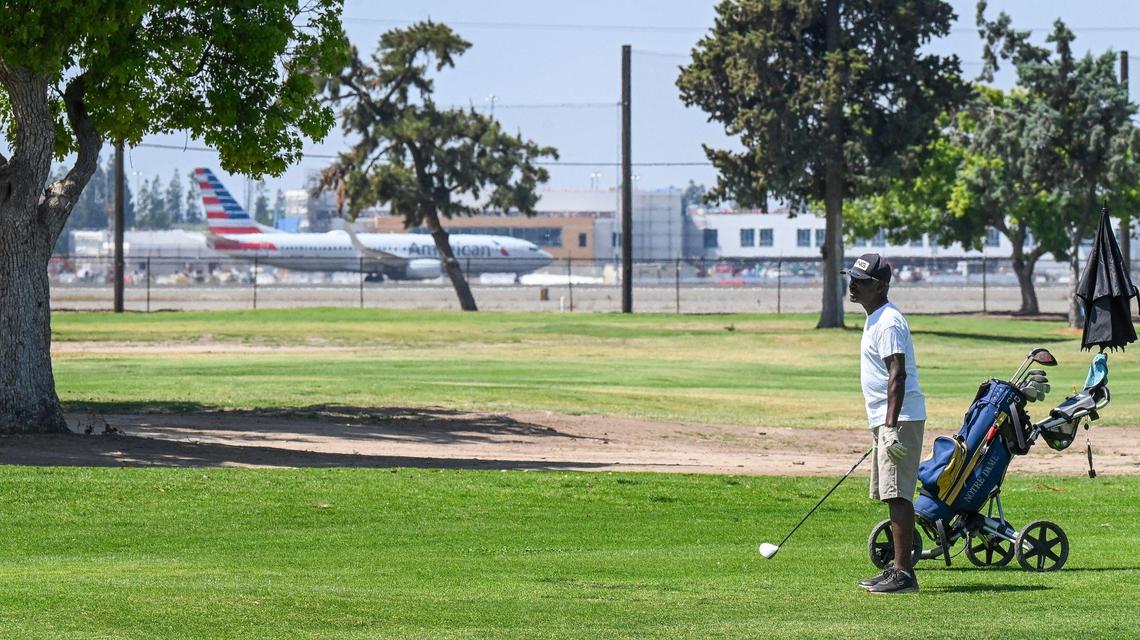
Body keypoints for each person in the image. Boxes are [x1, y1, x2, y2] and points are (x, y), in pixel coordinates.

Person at [846, 253, 926, 595]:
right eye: (851, 278)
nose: (852, 285)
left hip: (900, 418)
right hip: (888, 419)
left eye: (859, 281)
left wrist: (891, 426)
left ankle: (904, 576)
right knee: (890, 493)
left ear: (878, 286)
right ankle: (895, 569)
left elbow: (898, 373)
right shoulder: (875, 317)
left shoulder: (890, 321)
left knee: (898, 494)